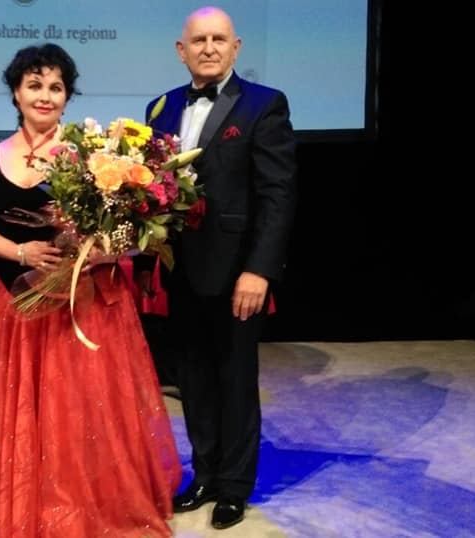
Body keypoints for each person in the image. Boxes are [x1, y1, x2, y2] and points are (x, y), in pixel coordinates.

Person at [0, 43, 182, 537]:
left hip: (83, 304)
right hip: (16, 302)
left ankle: (84, 500)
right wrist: (21, 253)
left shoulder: (92, 157)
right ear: (16, 93)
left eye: (55, 87)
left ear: (67, 96)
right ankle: (28, 499)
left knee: (82, 410)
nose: (45, 96)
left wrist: (100, 254)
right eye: (34, 85)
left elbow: (123, 233)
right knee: (22, 409)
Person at [145, 6, 297, 531]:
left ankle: (234, 486)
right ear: (181, 50)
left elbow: (277, 196)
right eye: (198, 40)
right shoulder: (161, 107)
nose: (208, 48)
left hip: (236, 273)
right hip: (178, 269)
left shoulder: (264, 104)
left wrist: (259, 271)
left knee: (235, 380)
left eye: (218, 39)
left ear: (236, 47)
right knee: (193, 381)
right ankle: (205, 474)